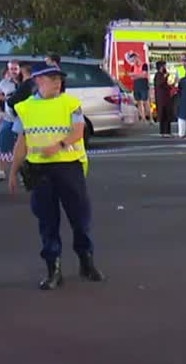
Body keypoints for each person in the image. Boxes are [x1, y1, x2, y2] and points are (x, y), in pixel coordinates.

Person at [8, 62, 104, 290]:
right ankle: (54, 269)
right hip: (39, 171)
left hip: (68, 167)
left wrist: (59, 145)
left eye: (60, 80)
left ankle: (86, 261)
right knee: (47, 221)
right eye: (53, 79)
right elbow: (22, 141)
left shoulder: (70, 103)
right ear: (38, 81)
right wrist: (13, 171)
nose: (59, 83)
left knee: (80, 218)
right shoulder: (25, 108)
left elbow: (78, 130)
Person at [0, 60, 20, 180]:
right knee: (3, 143)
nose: (13, 71)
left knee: (23, 146)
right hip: (9, 118)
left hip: (23, 119)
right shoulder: (3, 83)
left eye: (15, 69)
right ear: (8, 70)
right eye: (11, 69)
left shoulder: (24, 82)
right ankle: (1, 170)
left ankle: (23, 172)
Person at [128, 53, 152, 124]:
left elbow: (144, 74)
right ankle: (143, 118)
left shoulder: (144, 65)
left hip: (143, 85)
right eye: (132, 60)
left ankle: (150, 118)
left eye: (133, 60)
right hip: (136, 86)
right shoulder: (133, 67)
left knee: (146, 102)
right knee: (139, 102)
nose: (133, 62)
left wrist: (135, 75)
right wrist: (139, 75)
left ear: (136, 58)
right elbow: (131, 77)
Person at [154, 60, 173, 138]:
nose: (165, 67)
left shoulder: (162, 75)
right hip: (162, 98)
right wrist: (165, 77)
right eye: (164, 66)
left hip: (165, 97)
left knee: (167, 114)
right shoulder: (158, 75)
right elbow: (160, 84)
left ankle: (167, 131)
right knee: (163, 114)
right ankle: (164, 131)